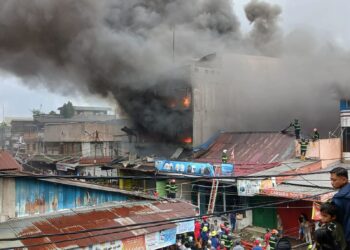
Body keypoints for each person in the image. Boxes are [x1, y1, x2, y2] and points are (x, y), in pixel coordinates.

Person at [330, 167, 350, 248]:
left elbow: (337, 219)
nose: (331, 183)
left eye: (334, 180)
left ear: (344, 180)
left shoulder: (338, 198)